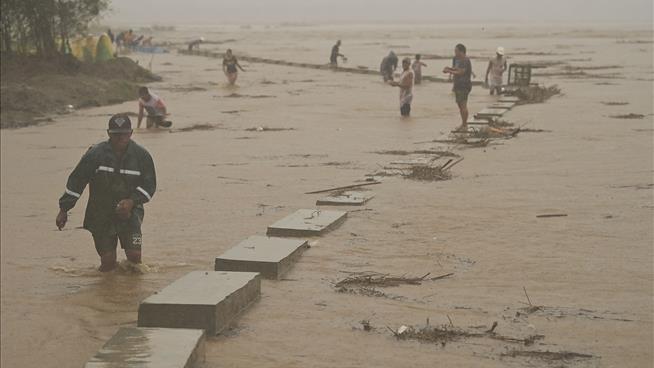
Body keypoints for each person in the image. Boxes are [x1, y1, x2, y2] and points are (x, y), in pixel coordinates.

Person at [56, 114, 156, 272]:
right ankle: (106, 286)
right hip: (100, 212)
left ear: (130, 133)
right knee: (108, 262)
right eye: (116, 134)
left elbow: (149, 186)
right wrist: (64, 209)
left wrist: (131, 202)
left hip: (130, 211)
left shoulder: (142, 156)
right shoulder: (95, 154)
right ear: (109, 133)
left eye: (124, 134)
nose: (120, 138)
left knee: (135, 257)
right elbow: (77, 181)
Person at [443, 43, 473, 131]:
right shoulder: (455, 59)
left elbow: (461, 72)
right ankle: (463, 123)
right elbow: (455, 68)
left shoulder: (465, 60)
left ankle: (465, 125)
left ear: (462, 51)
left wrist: (449, 71)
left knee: (463, 105)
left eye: (456, 51)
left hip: (464, 85)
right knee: (460, 105)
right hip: (457, 85)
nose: (455, 52)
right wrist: (449, 68)